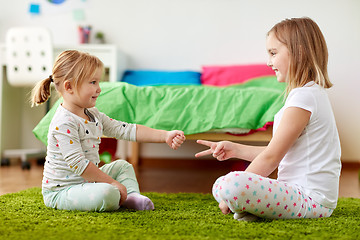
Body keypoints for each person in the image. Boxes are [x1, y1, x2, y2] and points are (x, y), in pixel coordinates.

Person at [195, 17, 341, 221]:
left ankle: (248, 207)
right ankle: (253, 209)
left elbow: (272, 157)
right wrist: (235, 149)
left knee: (231, 185)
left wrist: (231, 196)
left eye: (273, 53)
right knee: (221, 184)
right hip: (299, 194)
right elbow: (280, 152)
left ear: (299, 52)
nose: (268, 62)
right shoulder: (306, 94)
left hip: (311, 200)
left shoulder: (304, 97)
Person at [31, 50, 185, 212]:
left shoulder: (93, 114)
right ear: (69, 86)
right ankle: (117, 196)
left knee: (123, 166)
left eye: (99, 82)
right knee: (108, 193)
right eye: (93, 82)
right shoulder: (63, 122)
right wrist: (112, 183)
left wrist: (165, 135)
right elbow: (78, 164)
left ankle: (132, 197)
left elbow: (126, 130)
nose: (99, 89)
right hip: (62, 191)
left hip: (87, 182)